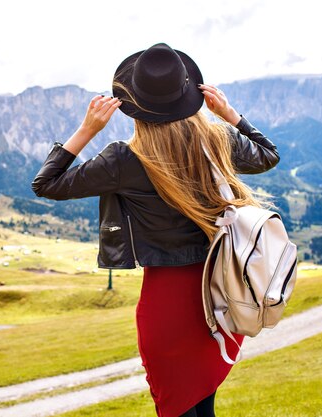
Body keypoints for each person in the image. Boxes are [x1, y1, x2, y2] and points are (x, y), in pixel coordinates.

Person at [32, 43, 280, 417]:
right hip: (219, 294)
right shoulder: (217, 139)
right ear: (188, 94)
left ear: (135, 106)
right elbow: (268, 155)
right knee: (203, 406)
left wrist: (88, 128)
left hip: (166, 303)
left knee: (175, 408)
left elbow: (46, 184)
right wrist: (230, 115)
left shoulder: (123, 160)